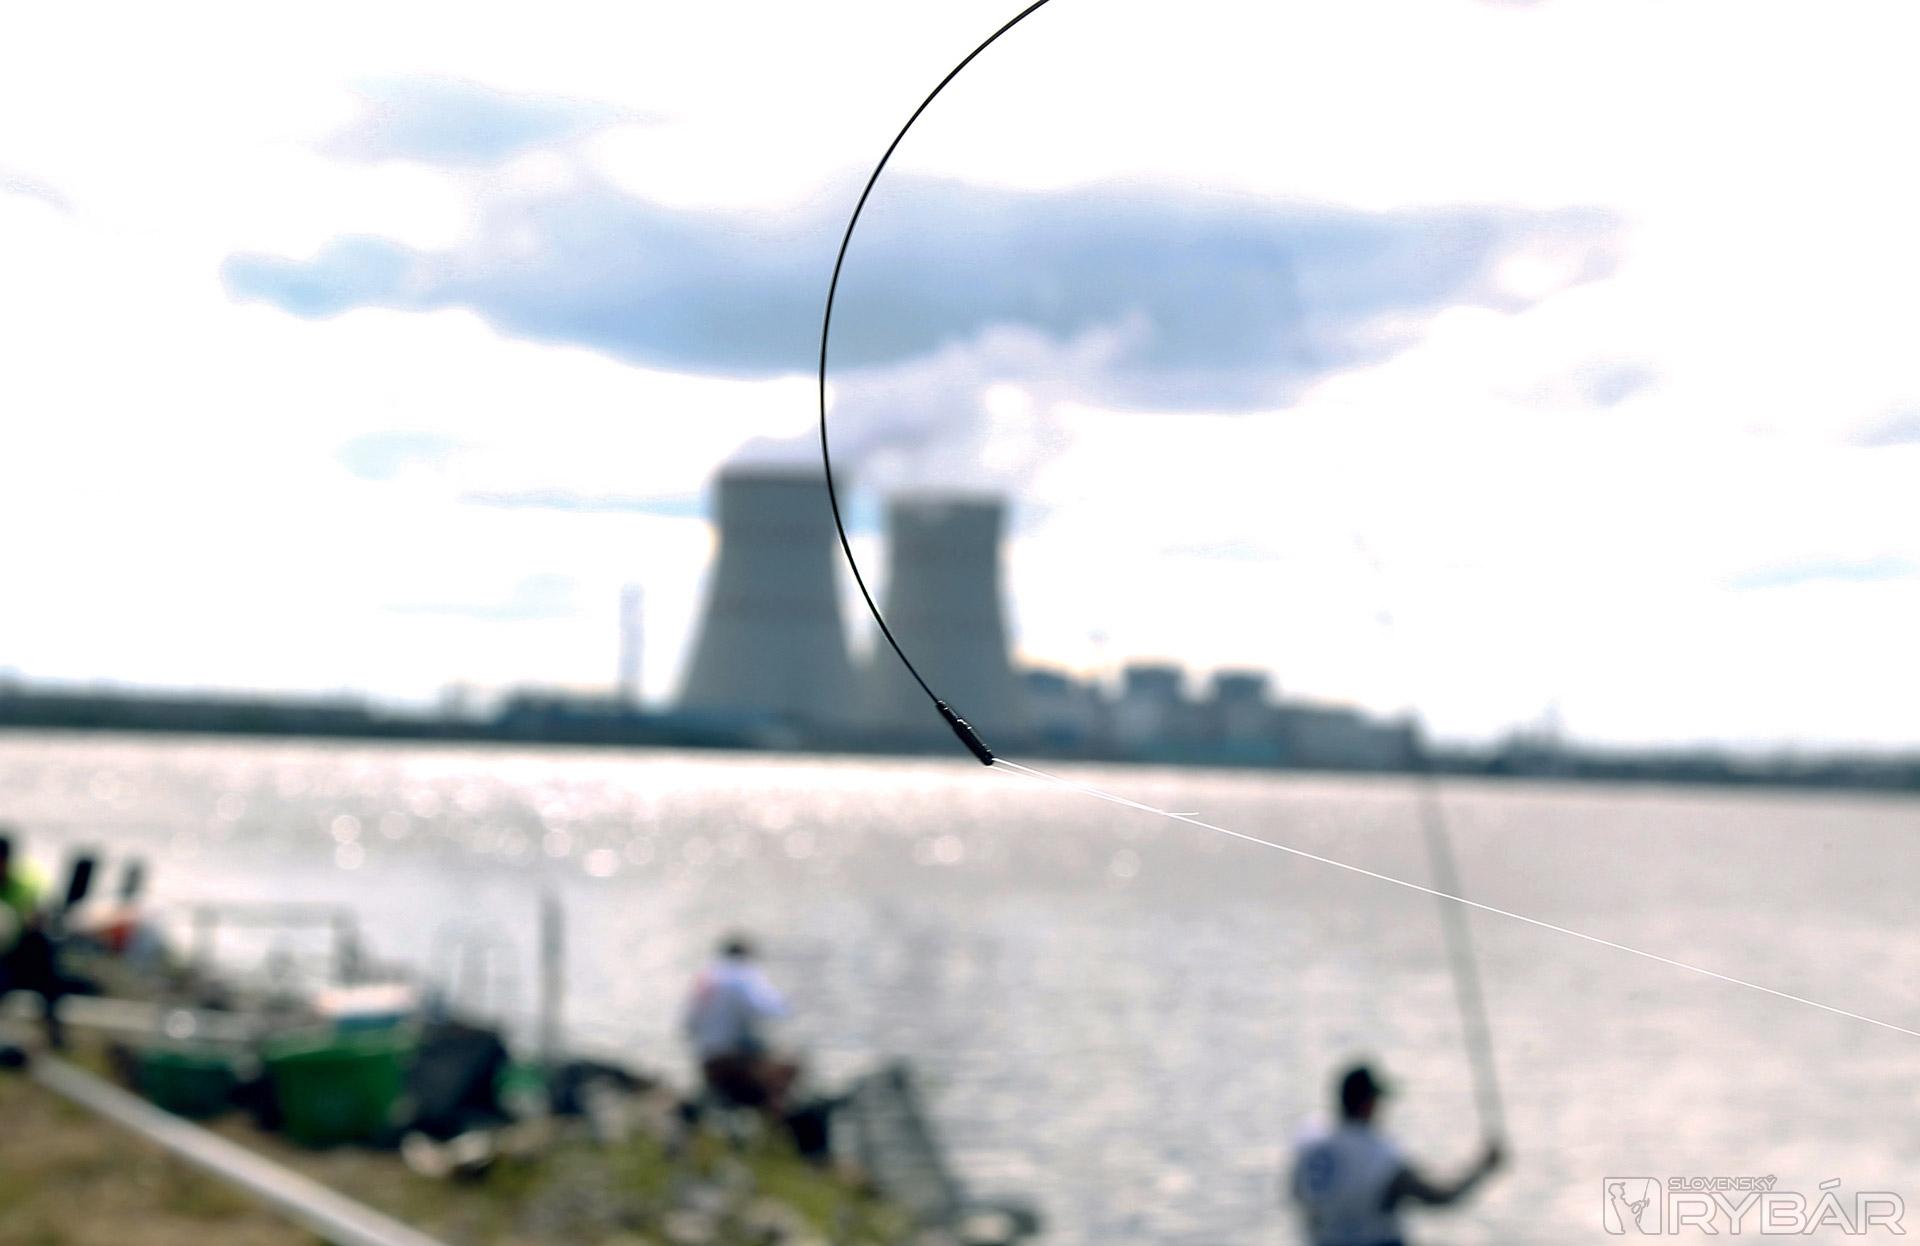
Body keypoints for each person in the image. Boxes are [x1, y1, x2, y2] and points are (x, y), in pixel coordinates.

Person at [1289, 1062, 1502, 1246]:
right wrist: (1482, 1167)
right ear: (1367, 1105)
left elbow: (1295, 1193)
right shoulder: (1380, 1157)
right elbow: (1440, 1197)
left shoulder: (1310, 1140)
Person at [682, 933, 798, 1114]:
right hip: (732, 1061)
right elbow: (771, 1009)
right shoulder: (742, 975)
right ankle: (776, 1119)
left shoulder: (705, 978)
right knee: (789, 1063)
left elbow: (687, 1026)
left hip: (706, 1062)